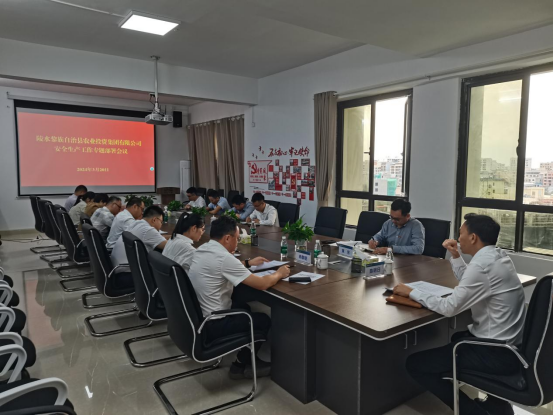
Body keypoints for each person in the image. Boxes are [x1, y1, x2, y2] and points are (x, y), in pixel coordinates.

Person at [394, 214, 526, 415]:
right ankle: (498, 406)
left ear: (473, 237)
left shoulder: (482, 265)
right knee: (457, 337)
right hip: (509, 347)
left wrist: (411, 292)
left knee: (415, 364)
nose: (458, 238)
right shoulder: (497, 257)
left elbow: (449, 308)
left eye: (461, 233)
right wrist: (455, 256)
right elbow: (471, 282)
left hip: (494, 353)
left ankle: (471, 412)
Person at [188, 215, 290, 380]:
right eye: (237, 238)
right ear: (227, 238)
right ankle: (240, 366)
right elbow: (262, 284)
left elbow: (223, 266)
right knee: (263, 320)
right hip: (213, 323)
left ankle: (247, 352)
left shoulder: (203, 249)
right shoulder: (224, 258)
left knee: (243, 306)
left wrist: (248, 263)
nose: (238, 242)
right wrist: (279, 273)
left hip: (198, 316)